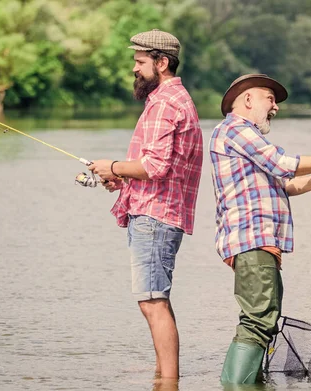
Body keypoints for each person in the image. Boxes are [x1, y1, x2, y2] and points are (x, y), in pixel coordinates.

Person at [209, 74, 311, 384]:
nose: (275, 106)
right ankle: (236, 385)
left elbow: (280, 182)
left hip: (256, 242)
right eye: (270, 98)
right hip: (252, 239)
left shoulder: (241, 134)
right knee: (259, 319)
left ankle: (239, 383)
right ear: (248, 99)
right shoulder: (236, 129)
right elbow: (280, 162)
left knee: (261, 317)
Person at [89, 29, 203, 380]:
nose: (135, 69)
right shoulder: (177, 99)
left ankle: (168, 381)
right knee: (155, 299)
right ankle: (162, 376)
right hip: (160, 213)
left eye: (140, 62)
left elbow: (154, 166)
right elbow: (161, 166)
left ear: (162, 62)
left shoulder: (165, 103)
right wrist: (122, 177)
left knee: (153, 301)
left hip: (155, 217)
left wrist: (111, 166)